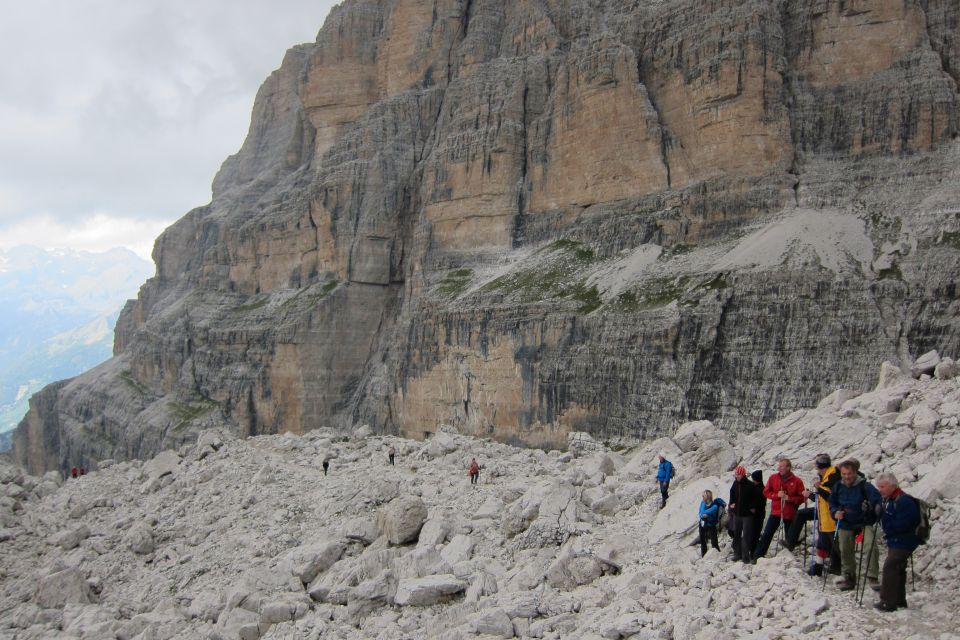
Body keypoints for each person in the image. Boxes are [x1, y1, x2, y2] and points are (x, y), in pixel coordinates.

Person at [829, 460, 881, 591]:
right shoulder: (838, 486)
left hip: (864, 521)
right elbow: (832, 503)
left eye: (850, 474)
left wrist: (871, 507)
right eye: (844, 474)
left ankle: (872, 576)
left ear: (855, 472)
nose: (847, 477)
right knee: (845, 548)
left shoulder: (865, 486)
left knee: (870, 546)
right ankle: (849, 577)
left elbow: (877, 500)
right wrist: (835, 513)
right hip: (846, 522)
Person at [784, 454, 839, 576]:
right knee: (823, 539)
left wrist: (817, 488)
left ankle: (835, 566)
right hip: (823, 511)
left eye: (817, 466)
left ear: (820, 466)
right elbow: (821, 497)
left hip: (830, 513)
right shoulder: (827, 476)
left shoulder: (832, 477)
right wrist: (811, 494)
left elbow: (829, 497)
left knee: (831, 539)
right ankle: (819, 566)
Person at [875, 473, 921, 611]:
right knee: (898, 568)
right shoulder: (892, 499)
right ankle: (900, 600)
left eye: (882, 486)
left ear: (892, 486)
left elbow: (904, 524)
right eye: (879, 487)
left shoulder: (904, 501)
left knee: (890, 567)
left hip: (904, 541)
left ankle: (887, 602)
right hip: (898, 541)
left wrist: (886, 523)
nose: (880, 490)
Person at [753, 458, 805, 559]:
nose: (779, 468)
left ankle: (788, 557)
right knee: (767, 534)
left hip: (790, 513)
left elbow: (802, 498)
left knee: (789, 537)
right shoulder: (773, 478)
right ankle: (757, 556)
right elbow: (766, 492)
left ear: (788, 467)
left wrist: (789, 498)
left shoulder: (797, 481)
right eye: (779, 466)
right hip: (776, 512)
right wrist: (776, 495)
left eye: (782, 466)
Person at [729, 465, 762, 563]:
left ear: (743, 475)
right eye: (736, 474)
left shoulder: (750, 485)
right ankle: (737, 554)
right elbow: (732, 494)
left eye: (738, 474)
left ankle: (745, 557)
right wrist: (731, 503)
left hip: (747, 515)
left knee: (746, 536)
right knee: (737, 534)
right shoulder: (735, 483)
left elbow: (756, 498)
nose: (737, 476)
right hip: (737, 514)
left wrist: (752, 507)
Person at [698, 490, 722, 556]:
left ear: (708, 497)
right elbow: (701, 514)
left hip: (711, 525)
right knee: (702, 542)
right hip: (702, 524)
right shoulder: (702, 503)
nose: (702, 497)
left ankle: (717, 555)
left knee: (714, 542)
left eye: (703, 496)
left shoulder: (714, 506)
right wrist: (704, 514)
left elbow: (702, 513)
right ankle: (704, 556)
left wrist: (704, 514)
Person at [748, 470, 765, 552]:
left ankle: (753, 553)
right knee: (754, 534)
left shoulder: (758, 490)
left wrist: (750, 507)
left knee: (753, 535)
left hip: (756, 515)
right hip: (759, 515)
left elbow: (755, 502)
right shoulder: (762, 488)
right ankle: (754, 552)